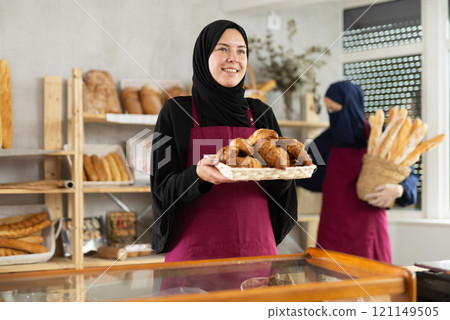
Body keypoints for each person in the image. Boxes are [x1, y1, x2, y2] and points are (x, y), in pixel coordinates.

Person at [150, 20, 297, 262]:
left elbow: (282, 194)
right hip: (194, 258)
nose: (233, 58)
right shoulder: (175, 112)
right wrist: (197, 176)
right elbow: (161, 191)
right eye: (223, 49)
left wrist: (284, 174)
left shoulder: (261, 113)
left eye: (241, 51)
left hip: (256, 253)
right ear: (203, 54)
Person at [296, 81, 418, 264]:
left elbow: (410, 176)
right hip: (332, 232)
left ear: (351, 107)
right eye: (329, 111)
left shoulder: (379, 137)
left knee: (372, 291)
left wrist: (398, 190)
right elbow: (301, 170)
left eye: (335, 110)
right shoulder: (327, 140)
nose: (333, 116)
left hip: (368, 233)